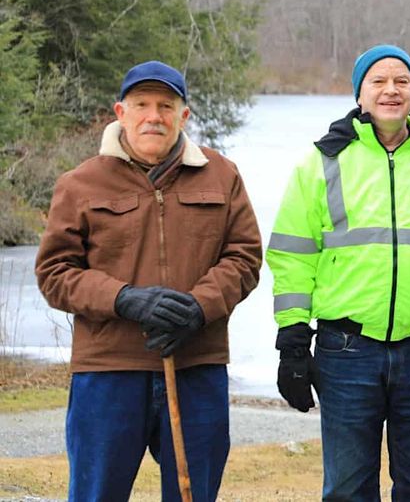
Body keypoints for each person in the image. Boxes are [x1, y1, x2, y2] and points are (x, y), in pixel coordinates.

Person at [266, 44, 410, 500]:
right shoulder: (322, 163)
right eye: (379, 81)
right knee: (348, 490)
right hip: (346, 351)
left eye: (401, 82)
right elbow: (293, 256)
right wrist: (292, 342)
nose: (391, 90)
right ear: (360, 93)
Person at [35, 60, 262, 502]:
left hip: (197, 365)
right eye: (142, 104)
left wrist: (198, 308)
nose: (153, 116)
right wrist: (124, 299)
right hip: (107, 372)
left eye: (166, 105)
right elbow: (54, 273)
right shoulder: (79, 184)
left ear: (184, 115)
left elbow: (244, 257)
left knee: (195, 495)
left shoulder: (223, 175)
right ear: (121, 113)